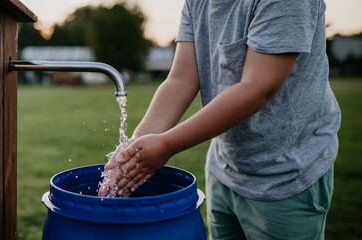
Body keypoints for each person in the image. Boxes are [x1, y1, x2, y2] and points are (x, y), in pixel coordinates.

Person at [99, 0, 341, 239]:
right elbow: (181, 79)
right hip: (225, 167)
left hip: (285, 176)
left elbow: (258, 88)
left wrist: (166, 144)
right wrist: (135, 147)